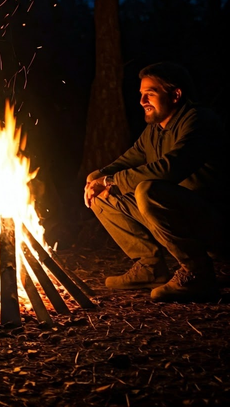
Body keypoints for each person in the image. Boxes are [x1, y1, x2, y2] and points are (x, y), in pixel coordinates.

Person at [84, 62, 227, 303]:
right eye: (141, 94)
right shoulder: (154, 131)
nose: (142, 101)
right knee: (99, 190)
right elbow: (124, 162)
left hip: (215, 221)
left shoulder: (199, 121)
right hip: (181, 216)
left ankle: (197, 273)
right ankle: (150, 267)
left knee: (148, 189)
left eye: (150, 93)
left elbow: (169, 169)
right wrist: (96, 179)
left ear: (175, 94)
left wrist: (109, 180)